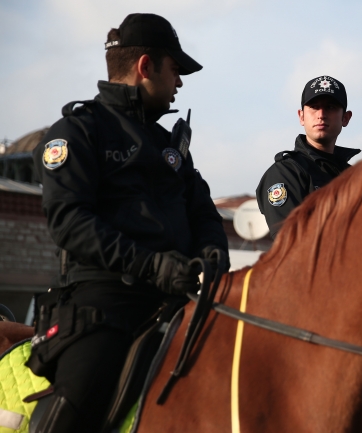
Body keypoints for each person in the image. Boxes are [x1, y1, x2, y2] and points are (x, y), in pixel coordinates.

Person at [27, 13, 229, 432]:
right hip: (105, 305)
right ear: (145, 67)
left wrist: (212, 254)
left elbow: (205, 214)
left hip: (178, 300)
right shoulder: (78, 131)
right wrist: (153, 266)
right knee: (84, 391)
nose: (180, 82)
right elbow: (70, 221)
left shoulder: (170, 147)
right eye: (175, 69)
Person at [256, 76, 360, 238]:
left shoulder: (356, 177)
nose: (321, 114)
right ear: (302, 116)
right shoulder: (286, 172)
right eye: (314, 107)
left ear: (345, 118)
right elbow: (291, 243)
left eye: (330, 107)